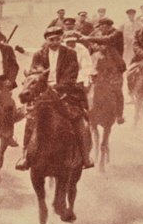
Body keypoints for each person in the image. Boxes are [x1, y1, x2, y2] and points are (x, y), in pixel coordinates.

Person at [16, 26, 94, 170]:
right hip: (42, 91)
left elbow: (71, 74)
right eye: (51, 39)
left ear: (61, 39)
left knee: (77, 118)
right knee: (31, 119)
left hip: (66, 91)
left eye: (57, 39)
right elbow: (34, 72)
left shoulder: (70, 53)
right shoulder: (38, 54)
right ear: (46, 40)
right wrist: (41, 86)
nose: (54, 42)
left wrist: (56, 88)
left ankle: (85, 156)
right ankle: (25, 155)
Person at [80, 15, 126, 123]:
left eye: (102, 27)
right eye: (100, 27)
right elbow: (92, 47)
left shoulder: (117, 33)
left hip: (115, 67)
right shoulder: (98, 34)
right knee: (89, 86)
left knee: (117, 90)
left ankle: (119, 115)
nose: (101, 29)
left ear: (108, 26)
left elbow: (107, 40)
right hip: (99, 67)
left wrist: (88, 38)